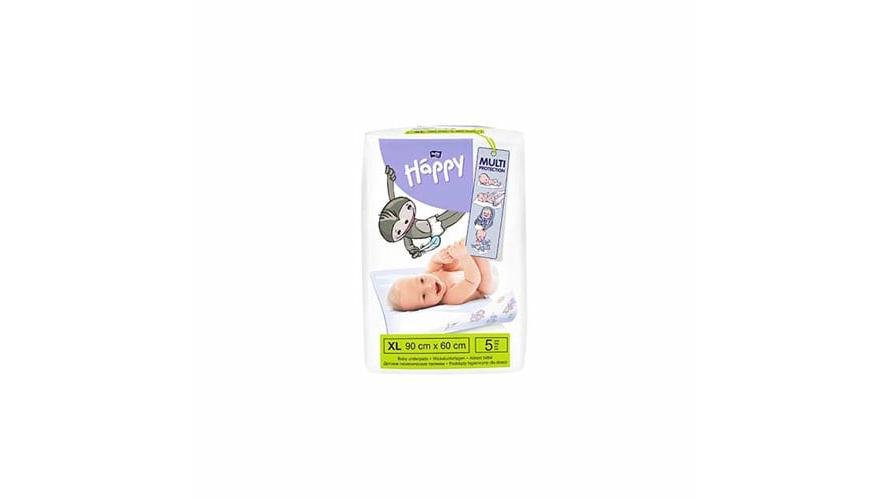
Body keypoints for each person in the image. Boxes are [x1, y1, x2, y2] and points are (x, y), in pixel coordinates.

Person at [388, 240, 497, 311]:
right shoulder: (451, 298)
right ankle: (481, 253)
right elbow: (473, 281)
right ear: (426, 307)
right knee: (486, 285)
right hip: (480, 286)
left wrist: (441, 257)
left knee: (450, 261)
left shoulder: (430, 274)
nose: (429, 286)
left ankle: (474, 243)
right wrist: (463, 256)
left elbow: (434, 260)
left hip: (464, 270)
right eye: (424, 296)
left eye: (421, 280)